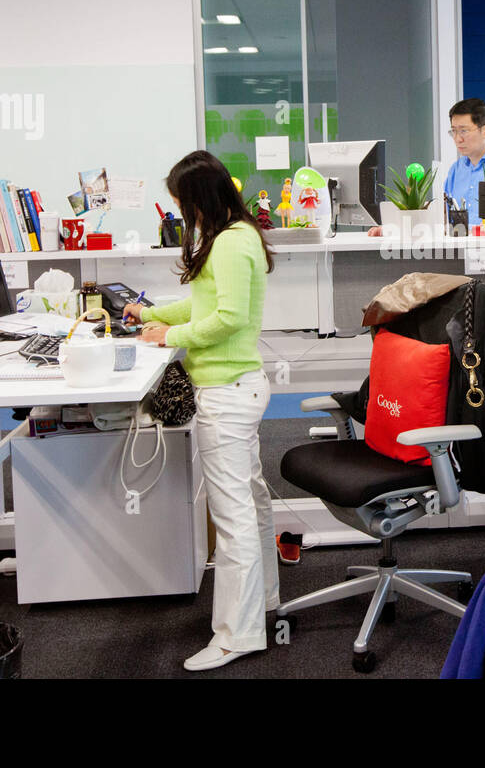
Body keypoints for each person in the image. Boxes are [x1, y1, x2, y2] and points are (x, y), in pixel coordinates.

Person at [124, 150, 278, 670]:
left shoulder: (232, 243)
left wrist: (172, 335)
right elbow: (203, 305)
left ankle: (238, 634)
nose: (178, 213)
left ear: (200, 198)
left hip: (228, 392)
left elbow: (228, 319)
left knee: (232, 519)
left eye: (180, 202)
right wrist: (151, 314)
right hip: (237, 388)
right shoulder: (231, 235)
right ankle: (264, 606)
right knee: (251, 505)